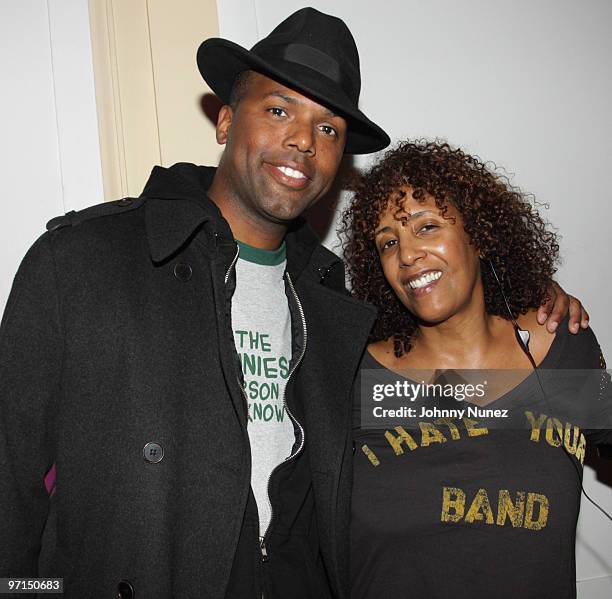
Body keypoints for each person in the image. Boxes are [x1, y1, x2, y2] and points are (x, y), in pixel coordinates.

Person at [0, 8, 584, 599]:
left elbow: (464, 373)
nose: (304, 140)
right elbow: (10, 492)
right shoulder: (84, 262)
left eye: (328, 129)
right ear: (226, 120)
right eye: (279, 110)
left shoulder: (339, 312)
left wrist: (530, 300)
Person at [342, 140, 611, 599]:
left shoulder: (558, 347)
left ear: (481, 235)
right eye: (389, 241)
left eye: (427, 226)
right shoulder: (354, 375)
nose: (407, 255)